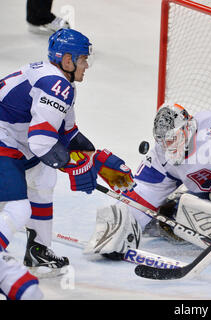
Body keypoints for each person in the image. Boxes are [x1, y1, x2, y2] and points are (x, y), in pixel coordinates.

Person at [0, 28, 135, 297]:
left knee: (43, 180)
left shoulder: (62, 82)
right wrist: (74, 168)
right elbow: (40, 143)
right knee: (17, 208)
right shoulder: (56, 84)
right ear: (68, 60)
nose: (87, 65)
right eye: (83, 59)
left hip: (14, 140)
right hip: (6, 142)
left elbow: (66, 133)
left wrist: (95, 159)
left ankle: (38, 250)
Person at [84, 102, 211, 265]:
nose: (169, 147)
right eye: (164, 142)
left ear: (187, 128)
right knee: (180, 217)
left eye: (173, 139)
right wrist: (123, 224)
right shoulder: (161, 154)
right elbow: (144, 192)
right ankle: (182, 212)